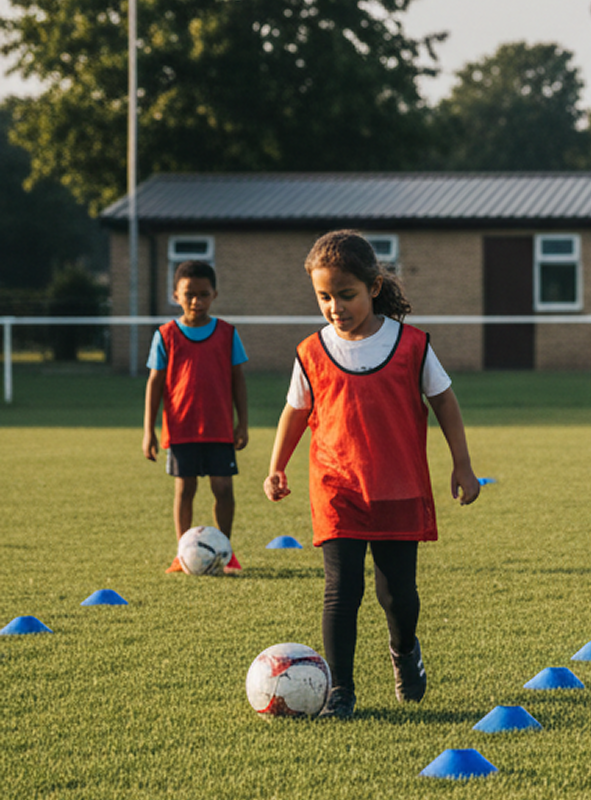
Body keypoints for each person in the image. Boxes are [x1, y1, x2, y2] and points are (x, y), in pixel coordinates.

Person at [263, 230, 479, 719]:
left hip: (398, 489)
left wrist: (462, 464)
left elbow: (444, 400)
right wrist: (276, 466)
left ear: (374, 287)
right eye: (324, 296)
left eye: (346, 294)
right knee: (342, 592)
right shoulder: (310, 352)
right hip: (336, 489)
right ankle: (340, 690)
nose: (335, 306)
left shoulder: (412, 346)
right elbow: (295, 412)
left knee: (397, 596)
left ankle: (404, 651)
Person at [142, 260, 249, 575]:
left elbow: (238, 380)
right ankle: (182, 553)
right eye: (189, 294)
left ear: (214, 294)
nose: (196, 302)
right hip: (181, 430)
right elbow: (154, 384)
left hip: (218, 429)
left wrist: (243, 422)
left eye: (203, 294)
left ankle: (225, 553)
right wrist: (148, 431)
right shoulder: (166, 335)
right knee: (184, 490)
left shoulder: (228, 333)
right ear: (176, 294)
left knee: (223, 490)